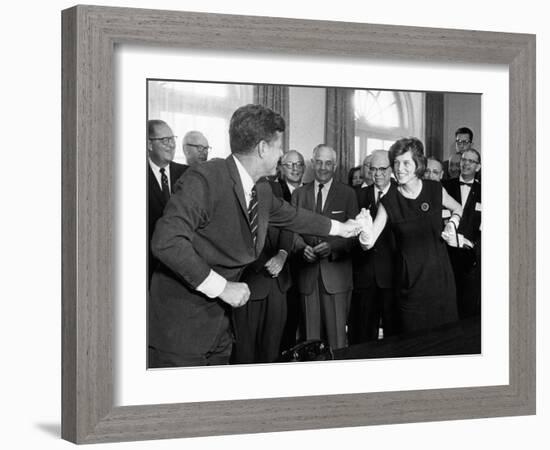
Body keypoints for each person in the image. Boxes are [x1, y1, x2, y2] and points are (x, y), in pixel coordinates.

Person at [149, 104, 360, 367]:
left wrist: (343, 228)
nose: (282, 153)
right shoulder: (204, 179)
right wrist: (222, 288)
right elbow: (166, 242)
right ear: (262, 148)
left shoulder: (260, 189)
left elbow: (295, 216)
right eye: (279, 146)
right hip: (180, 328)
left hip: (220, 327)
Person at [358, 137, 462, 333]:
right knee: (415, 344)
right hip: (410, 285)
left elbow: (458, 208)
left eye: (406, 162)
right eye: (396, 163)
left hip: (441, 282)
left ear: (418, 165)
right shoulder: (389, 200)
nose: (399, 168)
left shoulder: (434, 189)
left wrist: (453, 225)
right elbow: (369, 242)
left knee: (447, 341)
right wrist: (364, 230)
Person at [292, 145, 359, 349]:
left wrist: (332, 247)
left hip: (336, 276)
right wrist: (301, 247)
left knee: (337, 341)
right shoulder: (299, 194)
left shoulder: (348, 194)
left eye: (328, 163)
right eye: (319, 162)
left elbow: (354, 233)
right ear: (313, 163)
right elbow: (290, 230)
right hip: (307, 276)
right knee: (309, 342)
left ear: (335, 166)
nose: (323, 167)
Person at [349, 150, 399, 343]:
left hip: (393, 277)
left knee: (394, 336)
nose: (377, 174)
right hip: (364, 277)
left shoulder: (402, 194)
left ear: (392, 169)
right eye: (373, 169)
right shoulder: (357, 195)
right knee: (362, 335)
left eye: (382, 169)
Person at [147, 120, 188, 285]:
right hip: (149, 267)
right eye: (165, 140)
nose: (171, 145)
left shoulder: (187, 173)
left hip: (182, 265)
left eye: (172, 139)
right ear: (149, 144)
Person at [443, 149, 482, 319]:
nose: (466, 164)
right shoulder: (446, 186)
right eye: (464, 160)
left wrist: (474, 244)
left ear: (478, 167)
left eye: (471, 161)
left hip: (471, 256)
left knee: (468, 305)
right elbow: (440, 215)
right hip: (447, 253)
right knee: (447, 302)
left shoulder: (486, 190)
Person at [276, 150, 306, 352]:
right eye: (290, 165)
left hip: (310, 266)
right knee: (285, 321)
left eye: (298, 164)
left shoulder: (310, 192)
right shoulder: (274, 192)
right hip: (283, 269)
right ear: (281, 168)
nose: (295, 169)